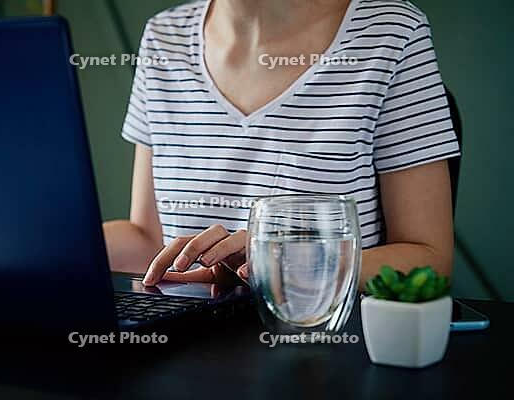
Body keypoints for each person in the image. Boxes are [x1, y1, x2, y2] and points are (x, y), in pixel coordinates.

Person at [102, 0, 460, 288]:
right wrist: (51, 249)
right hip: (181, 347)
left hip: (319, 349)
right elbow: (149, 239)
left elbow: (429, 259)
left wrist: (284, 260)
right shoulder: (164, 36)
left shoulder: (391, 32)